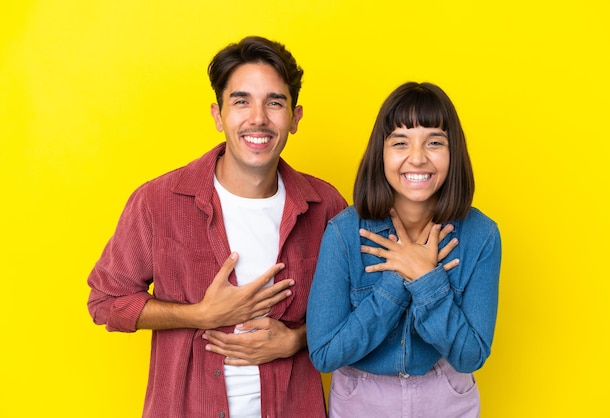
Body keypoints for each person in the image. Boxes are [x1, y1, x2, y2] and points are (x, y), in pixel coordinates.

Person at [87, 36, 347, 418]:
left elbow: (356, 310)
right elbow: (105, 302)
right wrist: (200, 315)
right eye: (241, 101)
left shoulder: (325, 206)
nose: (258, 118)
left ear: (295, 118)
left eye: (274, 102)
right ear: (217, 115)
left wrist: (296, 340)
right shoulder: (158, 202)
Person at [306, 82, 502, 417]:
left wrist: (428, 281)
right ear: (380, 152)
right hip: (361, 399)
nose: (417, 157)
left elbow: (471, 356)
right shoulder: (344, 232)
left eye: (435, 142)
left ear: (453, 152)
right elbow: (325, 354)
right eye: (400, 142)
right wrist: (398, 278)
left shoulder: (482, 235)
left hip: (446, 397)